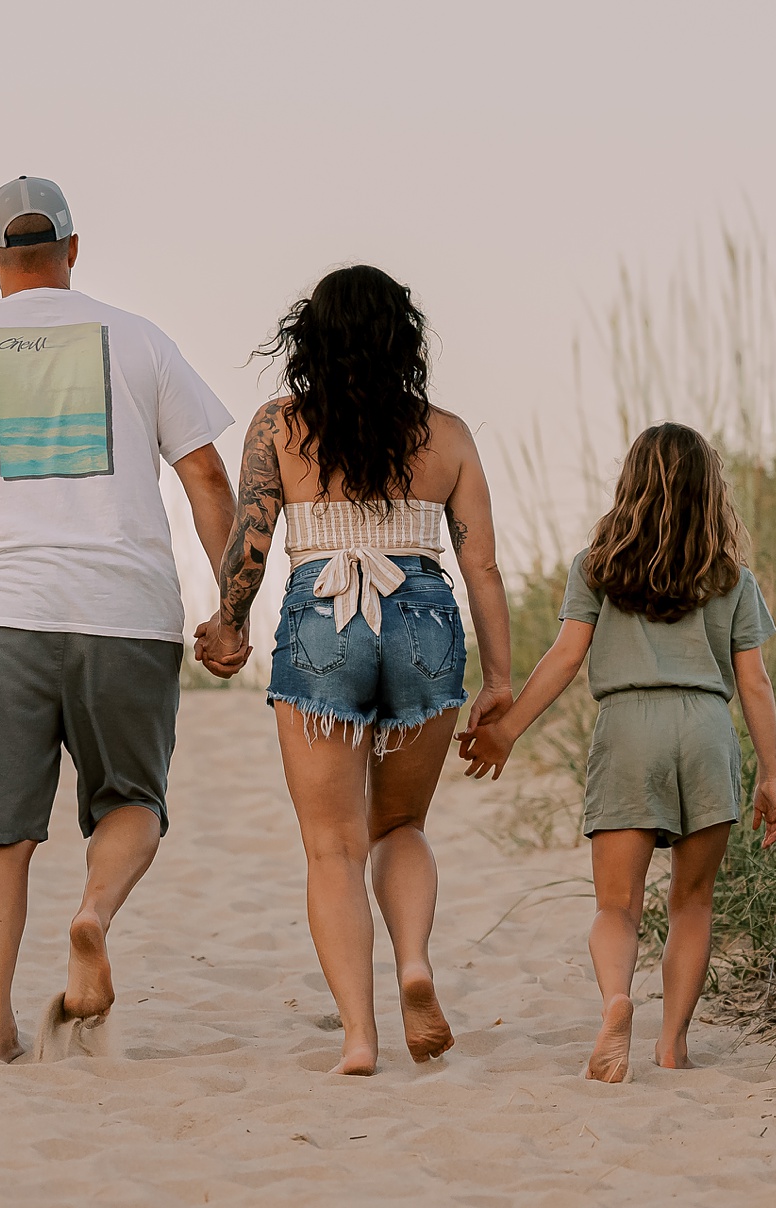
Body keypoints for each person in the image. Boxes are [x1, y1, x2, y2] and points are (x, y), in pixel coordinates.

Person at [0, 176, 237, 1062]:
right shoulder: (142, 339)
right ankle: (93, 912)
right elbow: (206, 479)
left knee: (2, 832)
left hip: (0, 615)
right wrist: (232, 606)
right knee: (131, 801)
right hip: (127, 613)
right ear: (73, 251)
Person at [195, 264, 514, 1076]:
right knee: (399, 827)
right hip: (426, 617)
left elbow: (252, 542)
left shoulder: (280, 425)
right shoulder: (448, 435)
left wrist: (229, 626)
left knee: (332, 845)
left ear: (311, 338)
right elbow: (482, 570)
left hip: (322, 616)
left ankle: (360, 1039)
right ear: (404, 340)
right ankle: (413, 962)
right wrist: (502, 684)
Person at [462, 422, 776, 1082]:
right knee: (692, 904)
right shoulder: (731, 578)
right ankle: (673, 1045)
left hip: (627, 729)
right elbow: (754, 681)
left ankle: (617, 999)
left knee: (617, 906)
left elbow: (564, 657)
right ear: (711, 493)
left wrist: (509, 728)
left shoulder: (596, 568)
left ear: (629, 487)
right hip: (704, 728)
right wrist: (772, 776)